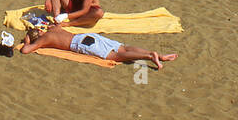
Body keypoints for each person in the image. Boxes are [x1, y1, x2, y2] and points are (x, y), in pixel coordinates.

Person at [21, 24, 177, 69]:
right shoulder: (54, 29)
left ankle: (149, 56)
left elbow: (25, 50)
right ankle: (156, 54)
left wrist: (28, 40)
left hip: (80, 44)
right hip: (86, 36)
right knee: (123, 48)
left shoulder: (44, 39)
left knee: (117, 56)